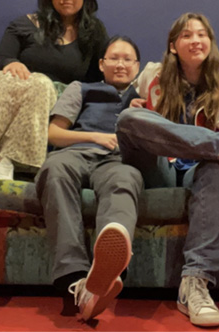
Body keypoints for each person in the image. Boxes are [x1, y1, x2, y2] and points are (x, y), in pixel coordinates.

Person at [115, 12, 219, 328]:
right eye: (186, 35)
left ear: (210, 42)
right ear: (173, 46)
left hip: (200, 173)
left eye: (201, 34)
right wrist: (136, 106)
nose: (195, 40)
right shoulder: (151, 77)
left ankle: (195, 284)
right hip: (157, 166)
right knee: (128, 120)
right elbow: (130, 114)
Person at [0, 0, 108, 181]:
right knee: (18, 78)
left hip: (55, 102)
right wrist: (11, 63)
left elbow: (99, 79)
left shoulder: (94, 33)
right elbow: (0, 60)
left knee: (41, 83)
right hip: (11, 88)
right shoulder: (24, 24)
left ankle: (9, 161)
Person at [35, 36, 143, 321]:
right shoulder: (80, 88)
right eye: (114, 58)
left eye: (128, 59)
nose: (120, 64)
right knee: (54, 170)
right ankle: (74, 280)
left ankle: (105, 275)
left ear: (138, 66)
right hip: (76, 153)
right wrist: (94, 136)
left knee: (126, 179)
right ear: (102, 64)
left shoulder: (146, 98)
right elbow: (54, 134)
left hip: (118, 160)